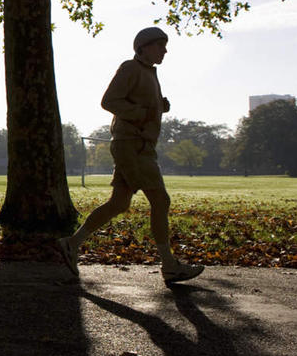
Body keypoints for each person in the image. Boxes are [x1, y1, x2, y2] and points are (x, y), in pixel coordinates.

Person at [59, 26, 204, 286]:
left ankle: (71, 244)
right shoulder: (130, 68)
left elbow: (142, 104)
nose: (165, 51)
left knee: (119, 204)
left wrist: (160, 106)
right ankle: (169, 265)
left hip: (139, 146)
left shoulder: (149, 73)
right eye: (160, 45)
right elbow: (109, 101)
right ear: (143, 47)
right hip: (132, 145)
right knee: (160, 200)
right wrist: (141, 113)